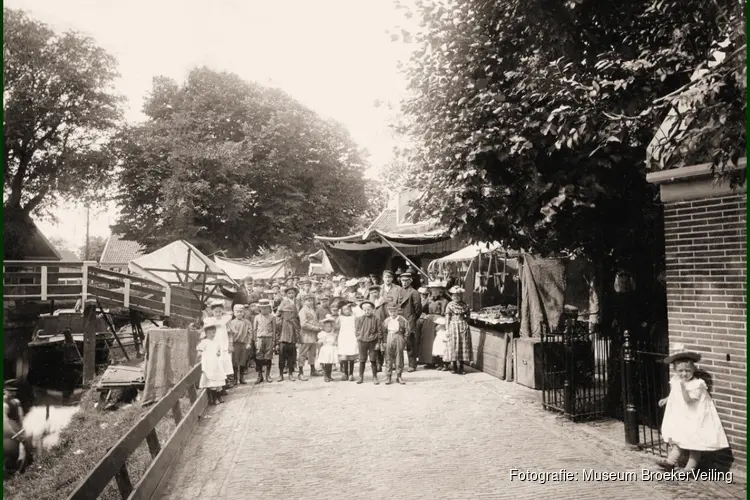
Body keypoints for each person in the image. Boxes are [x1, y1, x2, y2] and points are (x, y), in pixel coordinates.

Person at [657, 344, 729, 472]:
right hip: (683, 415)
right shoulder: (676, 380)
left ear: (693, 370)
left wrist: (684, 388)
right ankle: (670, 462)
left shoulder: (697, 384)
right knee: (679, 439)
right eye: (680, 371)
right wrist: (667, 399)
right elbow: (675, 393)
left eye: (687, 371)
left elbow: (689, 400)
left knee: (694, 443)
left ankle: (690, 468)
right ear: (675, 370)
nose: (684, 374)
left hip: (696, 417)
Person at [202, 299, 235, 389]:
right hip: (215, 345)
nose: (218, 313)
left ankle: (226, 383)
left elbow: (230, 333)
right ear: (212, 312)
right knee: (217, 364)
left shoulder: (225, 320)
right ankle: (219, 386)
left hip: (224, 344)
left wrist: (230, 344)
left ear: (222, 311)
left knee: (225, 362)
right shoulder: (209, 321)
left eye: (220, 311)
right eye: (216, 312)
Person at [419, 281, 449, 368]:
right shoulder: (429, 299)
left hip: (439, 321)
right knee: (427, 341)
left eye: (436, 290)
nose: (434, 292)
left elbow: (445, 313)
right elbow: (423, 309)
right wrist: (426, 299)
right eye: (432, 290)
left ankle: (440, 362)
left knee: (438, 342)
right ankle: (429, 362)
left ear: (441, 291)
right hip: (429, 321)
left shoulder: (444, 301)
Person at [398, 272, 423, 372]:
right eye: (402, 280)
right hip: (399, 318)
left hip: (410, 318)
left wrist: (413, 318)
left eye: (406, 281)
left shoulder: (414, 292)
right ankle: (399, 364)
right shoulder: (399, 291)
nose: (404, 283)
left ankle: (412, 364)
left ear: (410, 281)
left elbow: (418, 309)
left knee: (410, 342)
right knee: (399, 341)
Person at [444, 286, 472, 374]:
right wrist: (447, 328)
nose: (456, 297)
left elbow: (468, 316)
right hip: (453, 326)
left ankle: (461, 366)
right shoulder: (450, 305)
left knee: (463, 345)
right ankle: (454, 365)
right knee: (453, 346)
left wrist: (465, 322)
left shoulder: (465, 305)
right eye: (455, 296)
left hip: (463, 326)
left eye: (458, 296)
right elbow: (447, 317)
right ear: (452, 296)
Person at [354, 300, 383, 385]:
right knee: (362, 360)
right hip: (362, 342)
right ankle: (361, 377)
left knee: (373, 360)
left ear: (373, 310)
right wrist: (359, 337)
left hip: (373, 342)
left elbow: (380, 332)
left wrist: (378, 342)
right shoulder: (359, 319)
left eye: (369, 309)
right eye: (365, 310)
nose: (367, 311)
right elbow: (356, 330)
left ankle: (375, 377)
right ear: (362, 310)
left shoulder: (376, 319)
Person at [275, 288, 301, 382]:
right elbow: (277, 332)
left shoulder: (294, 323)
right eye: (285, 313)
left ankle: (290, 374)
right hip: (282, 341)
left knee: (291, 358)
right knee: (281, 359)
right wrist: (277, 343)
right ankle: (281, 375)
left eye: (289, 313)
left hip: (292, 341)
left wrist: (297, 341)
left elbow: (297, 332)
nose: (287, 314)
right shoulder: (280, 323)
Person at [197, 325, 225, 405]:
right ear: (206, 333)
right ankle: (214, 398)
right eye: (209, 333)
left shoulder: (216, 341)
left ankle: (219, 396)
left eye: (213, 332)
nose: (211, 334)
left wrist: (219, 353)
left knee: (218, 380)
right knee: (212, 380)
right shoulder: (204, 342)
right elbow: (199, 350)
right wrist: (200, 356)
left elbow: (218, 350)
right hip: (208, 363)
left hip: (216, 362)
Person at [382, 303, 409, 385]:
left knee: (399, 357)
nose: (392, 313)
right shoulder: (386, 321)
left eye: (394, 311)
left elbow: (407, 331)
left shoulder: (402, 320)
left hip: (398, 336)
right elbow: (383, 332)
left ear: (397, 311)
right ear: (388, 312)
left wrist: (404, 340)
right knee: (388, 357)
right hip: (389, 337)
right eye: (390, 311)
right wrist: (384, 342)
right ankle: (389, 376)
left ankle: (399, 376)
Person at [252, 299, 277, 384]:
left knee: (268, 356)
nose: (264, 310)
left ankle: (268, 375)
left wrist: (274, 340)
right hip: (259, 338)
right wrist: (255, 340)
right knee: (259, 356)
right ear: (259, 309)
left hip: (269, 338)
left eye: (266, 308)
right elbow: (254, 329)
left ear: (269, 308)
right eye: (262, 308)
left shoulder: (272, 317)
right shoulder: (257, 317)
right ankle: (259, 376)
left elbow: (274, 329)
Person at [227, 305, 252, 384]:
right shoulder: (231, 323)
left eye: (241, 312)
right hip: (235, 344)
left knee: (243, 361)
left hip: (244, 344)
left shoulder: (247, 322)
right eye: (237, 312)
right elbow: (229, 334)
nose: (239, 313)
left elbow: (250, 333)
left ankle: (241, 378)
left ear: (244, 312)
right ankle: (235, 378)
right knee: (234, 361)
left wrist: (249, 343)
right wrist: (230, 344)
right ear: (234, 313)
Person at [298, 294, 321, 380]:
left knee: (312, 353)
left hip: (313, 335)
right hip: (306, 335)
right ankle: (300, 372)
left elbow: (315, 321)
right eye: (308, 300)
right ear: (303, 302)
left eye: (312, 300)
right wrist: (316, 328)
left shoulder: (312, 310)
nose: (311, 302)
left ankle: (313, 369)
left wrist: (319, 326)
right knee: (303, 354)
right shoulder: (303, 311)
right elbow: (303, 324)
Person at [337, 301, 358, 381]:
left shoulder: (354, 317)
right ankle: (345, 373)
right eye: (345, 310)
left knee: (351, 357)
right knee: (345, 357)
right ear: (342, 311)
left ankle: (351, 373)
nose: (347, 311)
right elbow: (337, 328)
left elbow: (356, 327)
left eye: (348, 309)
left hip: (352, 337)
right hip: (343, 338)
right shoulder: (340, 318)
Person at [317, 316, 339, 382]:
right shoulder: (322, 334)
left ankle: (329, 375)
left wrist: (335, 342)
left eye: (330, 327)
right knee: (326, 363)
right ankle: (326, 376)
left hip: (332, 349)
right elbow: (319, 342)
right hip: (326, 349)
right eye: (327, 327)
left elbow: (335, 341)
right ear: (323, 327)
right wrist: (324, 338)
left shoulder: (333, 334)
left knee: (330, 363)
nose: (328, 328)